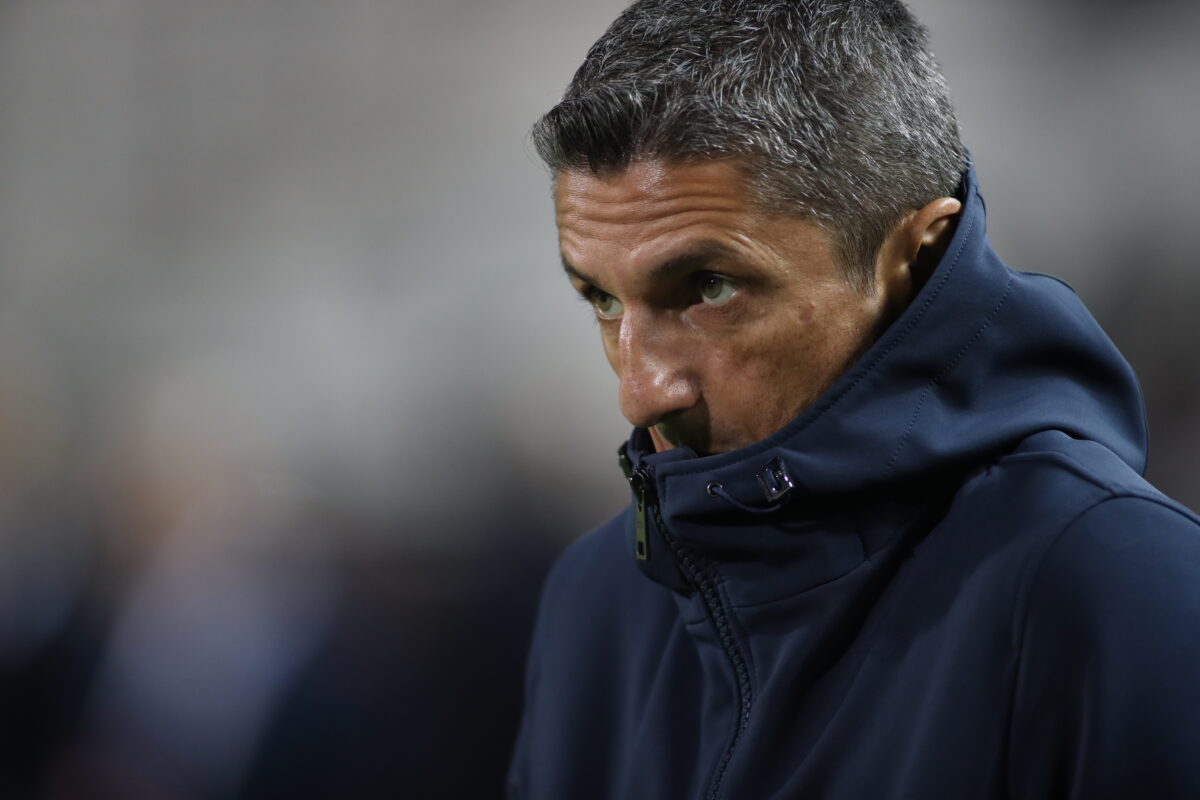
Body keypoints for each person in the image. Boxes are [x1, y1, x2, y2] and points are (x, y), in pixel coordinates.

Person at [508, 1, 1200, 797]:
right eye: (601, 300)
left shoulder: (1119, 585)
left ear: (917, 255)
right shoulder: (595, 602)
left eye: (710, 287)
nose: (641, 393)